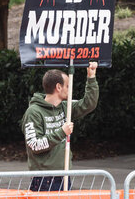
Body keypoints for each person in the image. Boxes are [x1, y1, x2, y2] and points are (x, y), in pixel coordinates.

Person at [21, 62, 99, 191]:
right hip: (44, 178)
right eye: (68, 86)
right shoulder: (33, 112)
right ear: (58, 87)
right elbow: (35, 145)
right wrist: (62, 132)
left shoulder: (65, 107)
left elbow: (88, 104)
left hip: (64, 174)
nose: (70, 90)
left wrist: (91, 78)